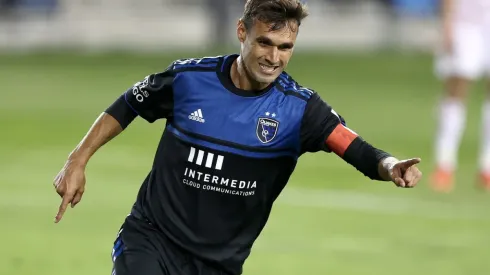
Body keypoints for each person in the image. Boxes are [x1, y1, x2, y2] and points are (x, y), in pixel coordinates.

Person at [52, 1, 423, 274]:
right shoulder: (189, 80)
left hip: (219, 264)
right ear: (242, 32)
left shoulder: (299, 109)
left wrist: (389, 166)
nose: (273, 58)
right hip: (151, 238)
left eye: (285, 47)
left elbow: (353, 146)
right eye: (265, 43)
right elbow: (130, 103)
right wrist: (77, 160)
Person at [432, 0, 490, 192]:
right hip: (466, 21)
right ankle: (444, 163)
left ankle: (486, 166)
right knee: (456, 88)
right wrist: (447, 21)